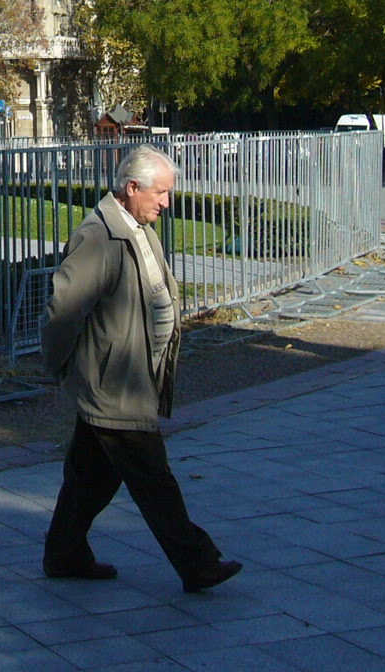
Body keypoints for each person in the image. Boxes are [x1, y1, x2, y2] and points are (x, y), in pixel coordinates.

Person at [40, 145, 242, 594]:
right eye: (161, 192)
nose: (167, 202)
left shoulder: (138, 226)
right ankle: (197, 562)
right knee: (153, 477)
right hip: (115, 383)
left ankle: (64, 553)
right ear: (132, 188)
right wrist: (58, 362)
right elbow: (63, 309)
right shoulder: (100, 235)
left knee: (90, 475)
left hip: (130, 376)